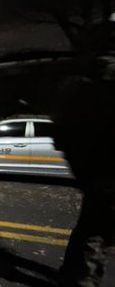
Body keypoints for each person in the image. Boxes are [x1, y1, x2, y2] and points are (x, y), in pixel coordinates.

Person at [53, 24, 114, 287]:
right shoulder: (96, 82)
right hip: (105, 166)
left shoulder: (78, 82)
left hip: (93, 166)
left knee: (92, 225)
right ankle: (82, 279)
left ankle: (71, 273)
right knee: (98, 230)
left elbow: (61, 133)